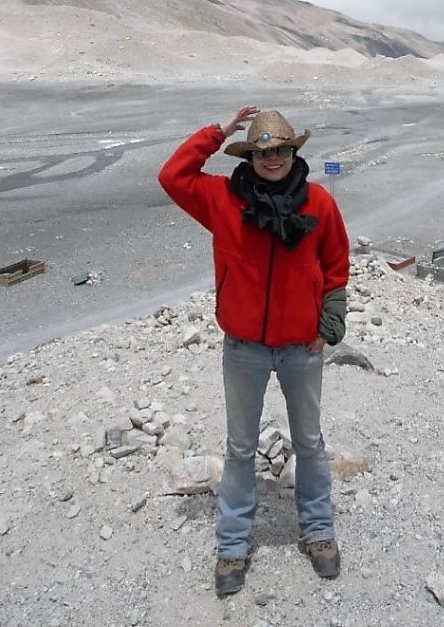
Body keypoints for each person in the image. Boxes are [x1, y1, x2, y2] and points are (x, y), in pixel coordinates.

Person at [158, 106, 350, 598]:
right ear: (249, 154)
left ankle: (319, 531)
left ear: (293, 152)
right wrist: (217, 132)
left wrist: (329, 326)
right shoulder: (223, 199)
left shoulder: (320, 204)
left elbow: (335, 266)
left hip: (301, 348)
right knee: (240, 448)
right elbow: (173, 175)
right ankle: (233, 545)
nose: (272, 158)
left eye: (281, 149)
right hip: (243, 347)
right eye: (262, 150)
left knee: (309, 442)